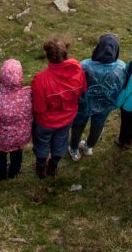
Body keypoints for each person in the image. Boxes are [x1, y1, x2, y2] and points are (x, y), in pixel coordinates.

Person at [31, 36, 86, 178]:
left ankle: (40, 169)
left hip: (45, 122)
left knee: (42, 144)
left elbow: (39, 108)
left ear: (47, 55)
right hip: (67, 119)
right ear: (65, 52)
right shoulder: (78, 71)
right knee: (60, 143)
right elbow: (82, 91)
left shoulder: (40, 79)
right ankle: (52, 168)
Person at [68, 34, 126, 160]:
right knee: (98, 125)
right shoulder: (121, 67)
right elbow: (121, 85)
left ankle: (74, 149)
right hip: (105, 104)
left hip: (84, 104)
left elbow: (75, 85)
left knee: (78, 125)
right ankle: (89, 147)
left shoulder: (84, 65)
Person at [0, 59, 32, 181]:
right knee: (17, 153)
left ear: (1, 77)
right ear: (21, 76)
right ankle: (14, 172)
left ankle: (2, 175)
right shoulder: (29, 94)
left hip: (2, 138)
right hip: (21, 136)